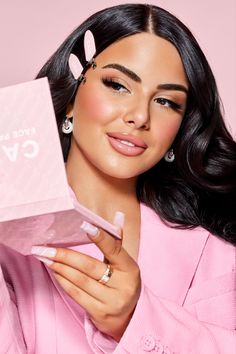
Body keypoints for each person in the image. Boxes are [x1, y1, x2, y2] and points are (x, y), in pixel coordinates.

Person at [0, 3, 235, 353]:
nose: (139, 116)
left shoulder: (215, 245)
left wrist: (137, 319)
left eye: (167, 102)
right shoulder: (9, 235)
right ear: (71, 96)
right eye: (118, 85)